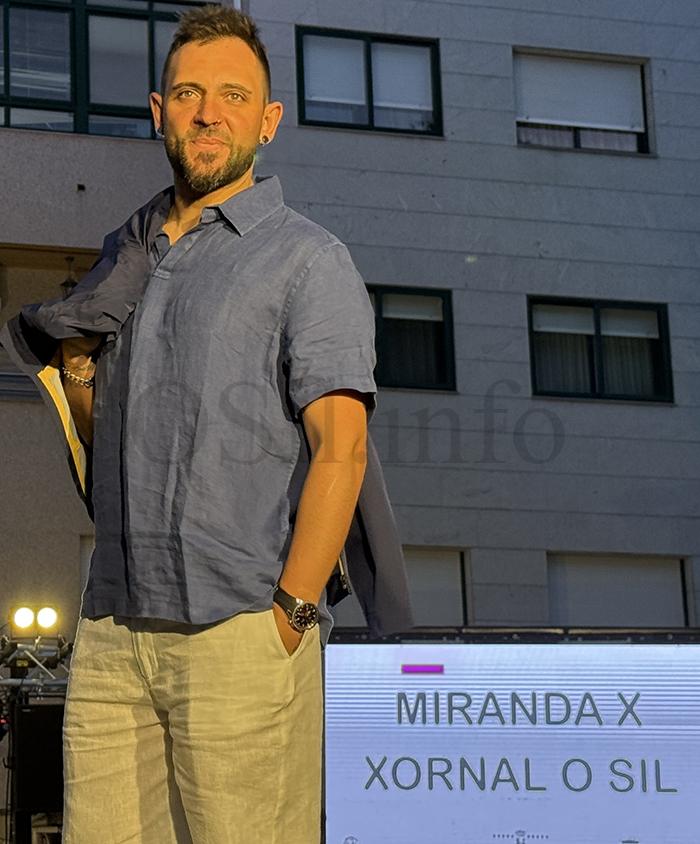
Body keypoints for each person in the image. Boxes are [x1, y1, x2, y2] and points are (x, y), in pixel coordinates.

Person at [0, 6, 413, 842]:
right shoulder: (126, 256)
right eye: (189, 93)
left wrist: (291, 616)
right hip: (114, 631)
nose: (208, 113)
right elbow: (105, 447)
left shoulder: (308, 258)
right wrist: (78, 363)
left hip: (242, 631)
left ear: (269, 121)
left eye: (233, 95)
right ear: (160, 112)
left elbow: (341, 450)